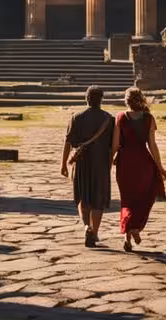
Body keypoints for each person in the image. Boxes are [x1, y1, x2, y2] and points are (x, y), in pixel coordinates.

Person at [111, 87, 166, 252]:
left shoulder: (121, 117)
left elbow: (115, 145)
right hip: (143, 163)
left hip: (125, 164)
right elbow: (152, 145)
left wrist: (108, 163)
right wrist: (160, 167)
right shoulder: (148, 118)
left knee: (127, 200)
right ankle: (134, 228)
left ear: (126, 101)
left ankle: (127, 235)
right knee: (144, 197)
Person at [61, 86, 114, 248]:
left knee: (83, 196)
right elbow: (114, 146)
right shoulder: (109, 119)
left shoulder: (76, 118)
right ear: (101, 99)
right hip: (100, 163)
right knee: (98, 198)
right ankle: (95, 232)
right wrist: (110, 163)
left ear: (87, 99)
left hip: (81, 163)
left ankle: (86, 227)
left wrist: (63, 164)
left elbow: (68, 143)